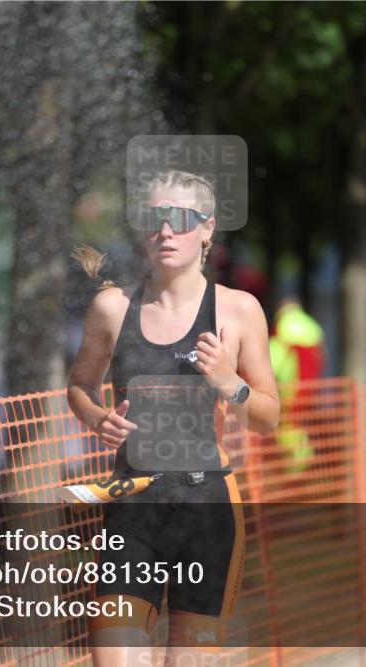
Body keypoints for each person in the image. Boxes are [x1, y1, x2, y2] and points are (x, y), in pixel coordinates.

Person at [66, 170, 280, 666]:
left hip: (207, 511)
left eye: (181, 219)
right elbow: (79, 387)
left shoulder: (238, 311)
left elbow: (268, 418)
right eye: (155, 217)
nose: (166, 231)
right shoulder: (112, 308)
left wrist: (229, 381)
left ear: (207, 228)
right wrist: (97, 418)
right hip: (133, 510)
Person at [268, 294, 325, 474]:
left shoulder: (282, 326)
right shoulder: (312, 325)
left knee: (288, 425)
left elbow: (274, 358)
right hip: (310, 386)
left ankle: (294, 469)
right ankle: (304, 464)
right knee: (302, 423)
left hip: (289, 386)